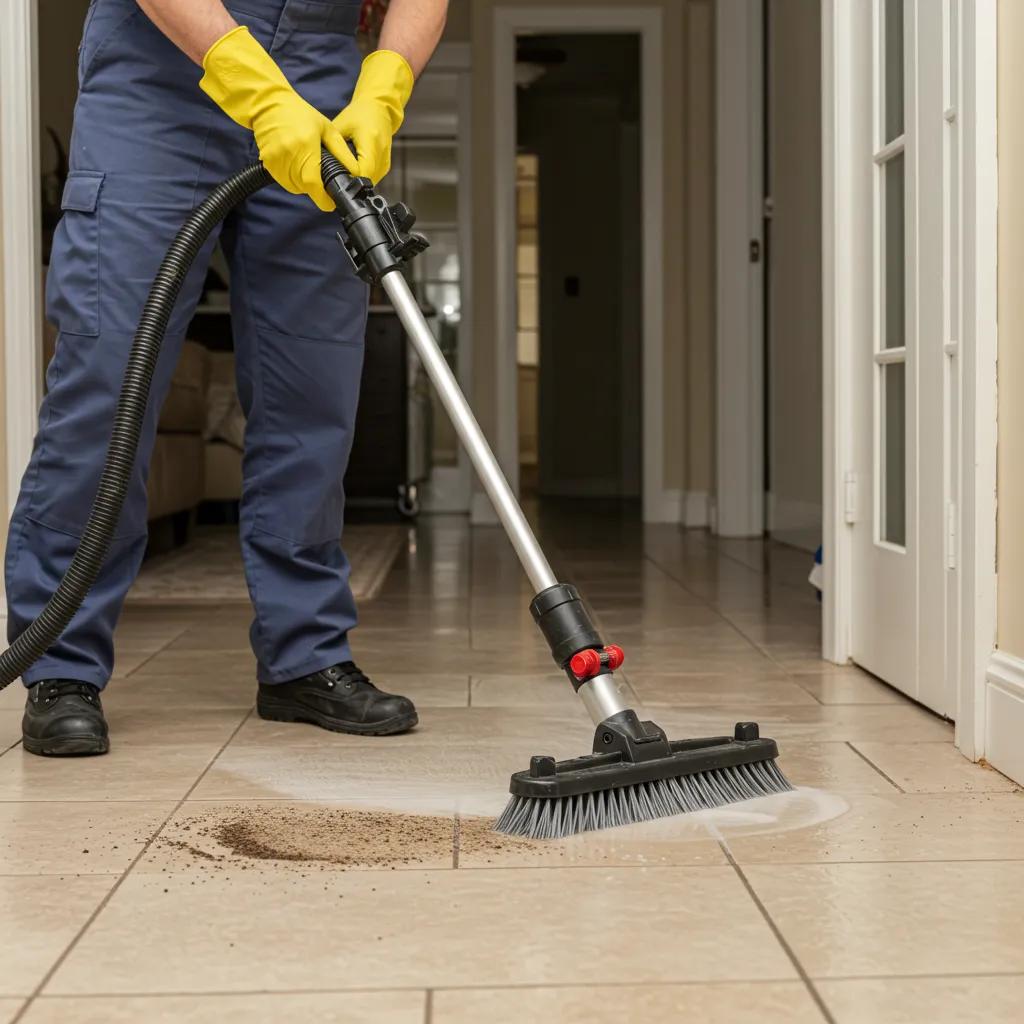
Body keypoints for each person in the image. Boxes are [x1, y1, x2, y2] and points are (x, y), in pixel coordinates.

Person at [8, 0, 448, 756]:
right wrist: (256, 87)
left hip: (323, 65)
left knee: (313, 383)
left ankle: (304, 656)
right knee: (109, 365)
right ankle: (62, 662)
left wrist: (385, 85)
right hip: (160, 66)